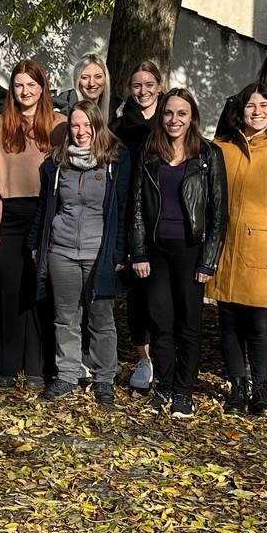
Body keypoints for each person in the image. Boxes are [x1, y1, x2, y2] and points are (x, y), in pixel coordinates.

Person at [124, 88, 226, 418]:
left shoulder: (209, 155)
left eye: (182, 113)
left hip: (190, 250)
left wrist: (208, 261)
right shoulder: (147, 153)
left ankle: (184, 392)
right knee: (160, 322)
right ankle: (165, 386)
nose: (174, 119)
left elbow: (219, 211)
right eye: (168, 113)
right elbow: (136, 207)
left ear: (192, 117)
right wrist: (138, 253)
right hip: (155, 250)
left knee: (189, 326)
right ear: (161, 116)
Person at [207, 84, 267, 416]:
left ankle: (260, 391)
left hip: (263, 251)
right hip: (225, 251)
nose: (257, 111)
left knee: (260, 327)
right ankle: (237, 388)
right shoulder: (219, 149)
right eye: (250, 105)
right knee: (229, 325)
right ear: (239, 110)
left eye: (264, 105)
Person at [32, 104, 130, 406]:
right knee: (65, 318)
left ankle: (104, 379)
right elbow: (44, 208)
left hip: (98, 253)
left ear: (98, 126)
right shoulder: (56, 164)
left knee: (101, 319)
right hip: (61, 252)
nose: (81, 131)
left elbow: (122, 211)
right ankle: (68, 375)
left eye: (87, 125)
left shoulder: (116, 161)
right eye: (75, 125)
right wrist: (36, 243)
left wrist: (119, 252)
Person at [0, 60, 57, 388]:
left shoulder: (60, 125)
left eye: (31, 85)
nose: (25, 92)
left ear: (42, 88)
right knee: (9, 293)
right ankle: (8, 366)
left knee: (39, 293)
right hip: (7, 219)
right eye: (19, 85)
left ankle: (36, 366)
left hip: (47, 217)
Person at [109, 61, 162, 390]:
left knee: (163, 290)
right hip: (131, 214)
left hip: (165, 216)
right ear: (130, 89)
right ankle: (143, 358)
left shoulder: (170, 120)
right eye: (136, 85)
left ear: (159, 85)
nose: (143, 91)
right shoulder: (118, 127)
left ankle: (163, 354)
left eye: (149, 84)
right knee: (138, 291)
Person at [53, 55, 111, 143]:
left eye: (98, 77)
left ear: (105, 79)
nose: (92, 83)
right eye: (85, 77)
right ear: (77, 80)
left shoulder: (116, 111)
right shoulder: (62, 109)